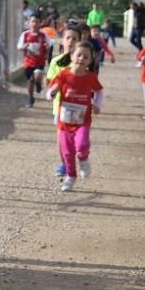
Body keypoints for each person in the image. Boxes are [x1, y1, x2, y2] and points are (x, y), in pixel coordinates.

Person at [46, 41, 104, 192]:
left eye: (86, 57)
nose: (81, 59)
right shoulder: (64, 74)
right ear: (72, 56)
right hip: (64, 121)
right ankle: (70, 176)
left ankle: (84, 159)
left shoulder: (90, 77)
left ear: (90, 60)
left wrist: (97, 105)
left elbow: (99, 91)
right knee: (67, 151)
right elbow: (53, 88)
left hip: (82, 120)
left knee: (82, 145)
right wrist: (51, 93)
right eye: (79, 55)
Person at [48, 24, 83, 178]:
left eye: (74, 39)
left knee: (76, 139)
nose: (70, 41)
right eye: (68, 38)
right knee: (62, 138)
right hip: (60, 107)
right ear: (62, 41)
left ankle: (75, 158)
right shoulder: (56, 62)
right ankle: (64, 163)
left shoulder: (82, 62)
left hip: (78, 107)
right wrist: (54, 89)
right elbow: (50, 81)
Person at [17, 15, 49, 107]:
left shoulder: (43, 35)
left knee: (38, 74)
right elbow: (19, 46)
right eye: (33, 21)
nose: (34, 24)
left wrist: (47, 52)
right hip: (28, 62)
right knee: (30, 81)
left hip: (40, 61)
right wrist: (24, 46)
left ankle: (38, 82)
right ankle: (30, 98)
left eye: (37, 22)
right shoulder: (25, 34)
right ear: (29, 23)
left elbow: (50, 44)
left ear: (40, 23)